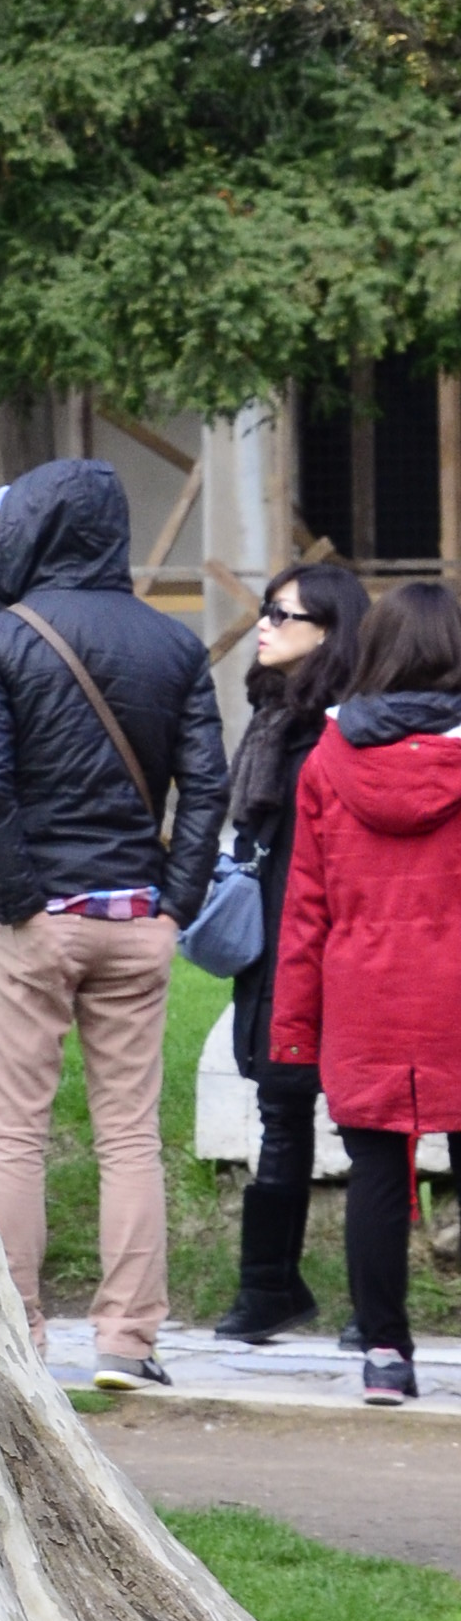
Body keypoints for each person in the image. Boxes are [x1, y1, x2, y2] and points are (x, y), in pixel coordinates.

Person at [0, 459, 228, 1390]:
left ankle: (16, 1334)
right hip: (135, 917)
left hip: (36, 920)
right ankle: (128, 1341)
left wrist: (20, 903)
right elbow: (208, 790)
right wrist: (174, 904)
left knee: (14, 1135)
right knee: (130, 1135)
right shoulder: (175, 645)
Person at [266, 575, 461, 1407]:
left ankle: (384, 1353)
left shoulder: (327, 762)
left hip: (365, 998)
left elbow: (305, 910)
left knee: (376, 1174)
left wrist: (292, 1031)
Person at [211, 559, 368, 1344]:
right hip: (275, 944)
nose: (264, 626)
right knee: (280, 1103)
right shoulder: (274, 719)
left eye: (283, 614)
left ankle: (377, 1308)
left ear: (331, 632)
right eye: (265, 611)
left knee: (366, 1119)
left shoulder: (351, 731)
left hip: (340, 946)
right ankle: (268, 1287)